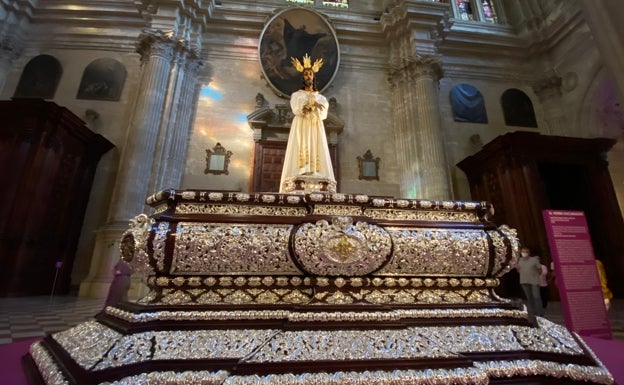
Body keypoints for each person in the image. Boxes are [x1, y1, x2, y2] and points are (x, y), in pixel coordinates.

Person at [279, 53, 336, 193]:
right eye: (306, 74)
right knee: (301, 144)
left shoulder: (321, 98)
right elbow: (296, 109)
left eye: (310, 74)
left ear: (314, 76)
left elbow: (323, 113)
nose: (308, 76)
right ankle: (302, 169)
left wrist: (315, 104)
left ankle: (316, 171)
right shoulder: (296, 95)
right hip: (301, 124)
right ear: (303, 78)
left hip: (315, 125)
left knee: (316, 144)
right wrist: (306, 105)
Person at [516, 246, 543, 321]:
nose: (524, 253)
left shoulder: (534, 260)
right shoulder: (519, 260)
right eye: (523, 252)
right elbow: (518, 270)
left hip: (534, 281)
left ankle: (539, 313)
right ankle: (532, 312)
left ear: (529, 253)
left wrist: (534, 275)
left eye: (526, 252)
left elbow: (540, 270)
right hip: (524, 281)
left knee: (536, 297)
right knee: (529, 298)